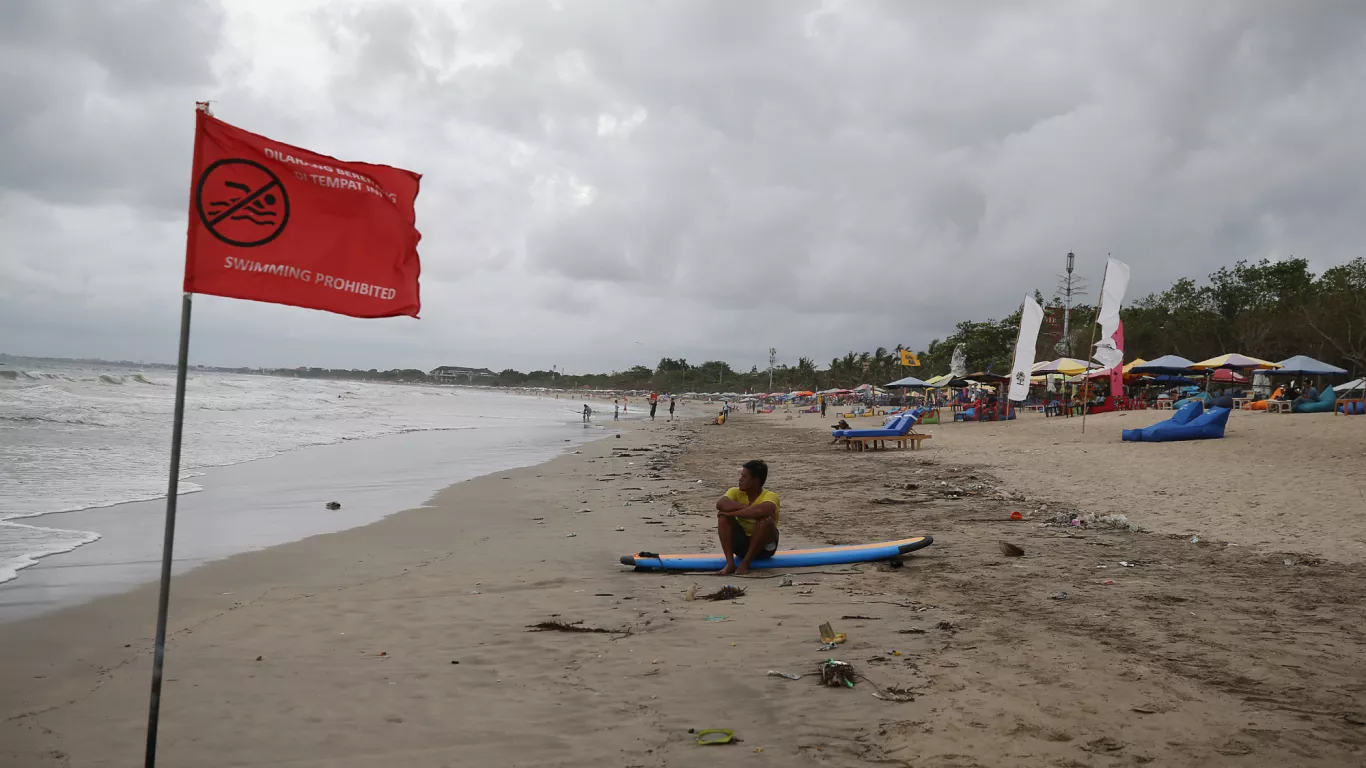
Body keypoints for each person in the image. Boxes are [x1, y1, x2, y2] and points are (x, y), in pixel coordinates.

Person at [715, 459, 780, 575]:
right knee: (723, 518)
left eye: (744, 477)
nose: (740, 480)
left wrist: (732, 513)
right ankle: (730, 564)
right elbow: (720, 503)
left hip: (765, 548)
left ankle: (745, 563)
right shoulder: (735, 492)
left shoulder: (770, 496)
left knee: (765, 521)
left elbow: (762, 510)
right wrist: (744, 507)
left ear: (755, 480)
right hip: (741, 547)